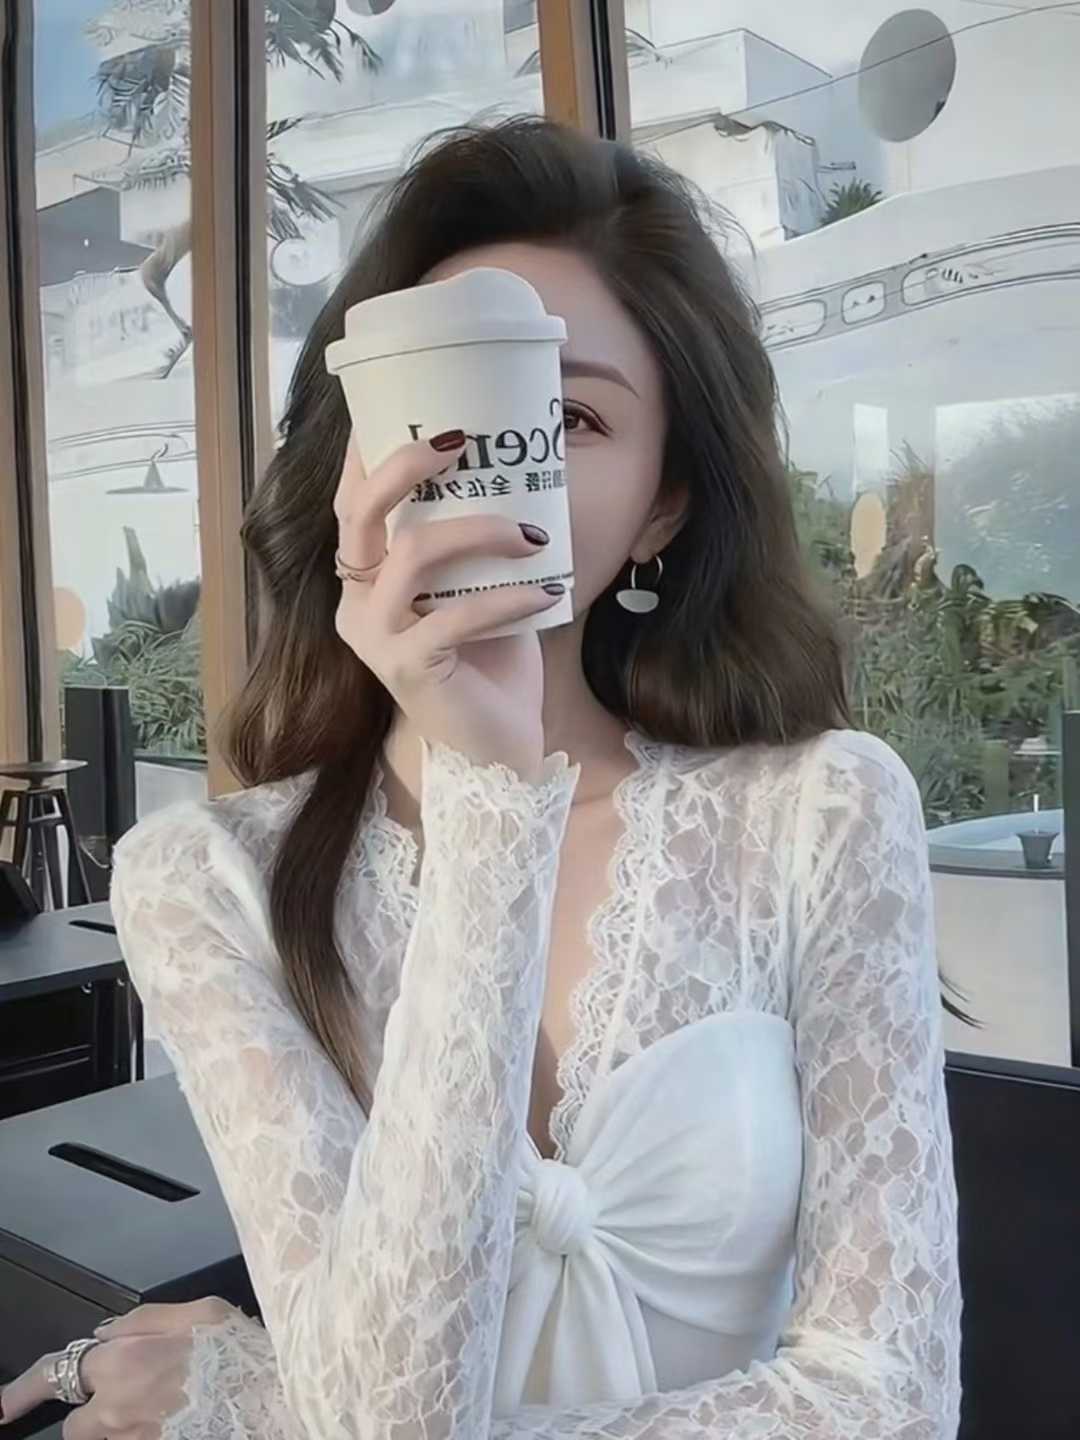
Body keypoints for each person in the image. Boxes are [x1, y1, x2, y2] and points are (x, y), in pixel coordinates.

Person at [0, 117, 962, 1439]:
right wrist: (492, 802)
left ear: (665, 501)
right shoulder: (205, 879)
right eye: (428, 411)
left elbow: (893, 1399)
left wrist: (256, 1396)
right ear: (355, 461)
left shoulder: (825, 810)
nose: (479, 470)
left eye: (567, 416)